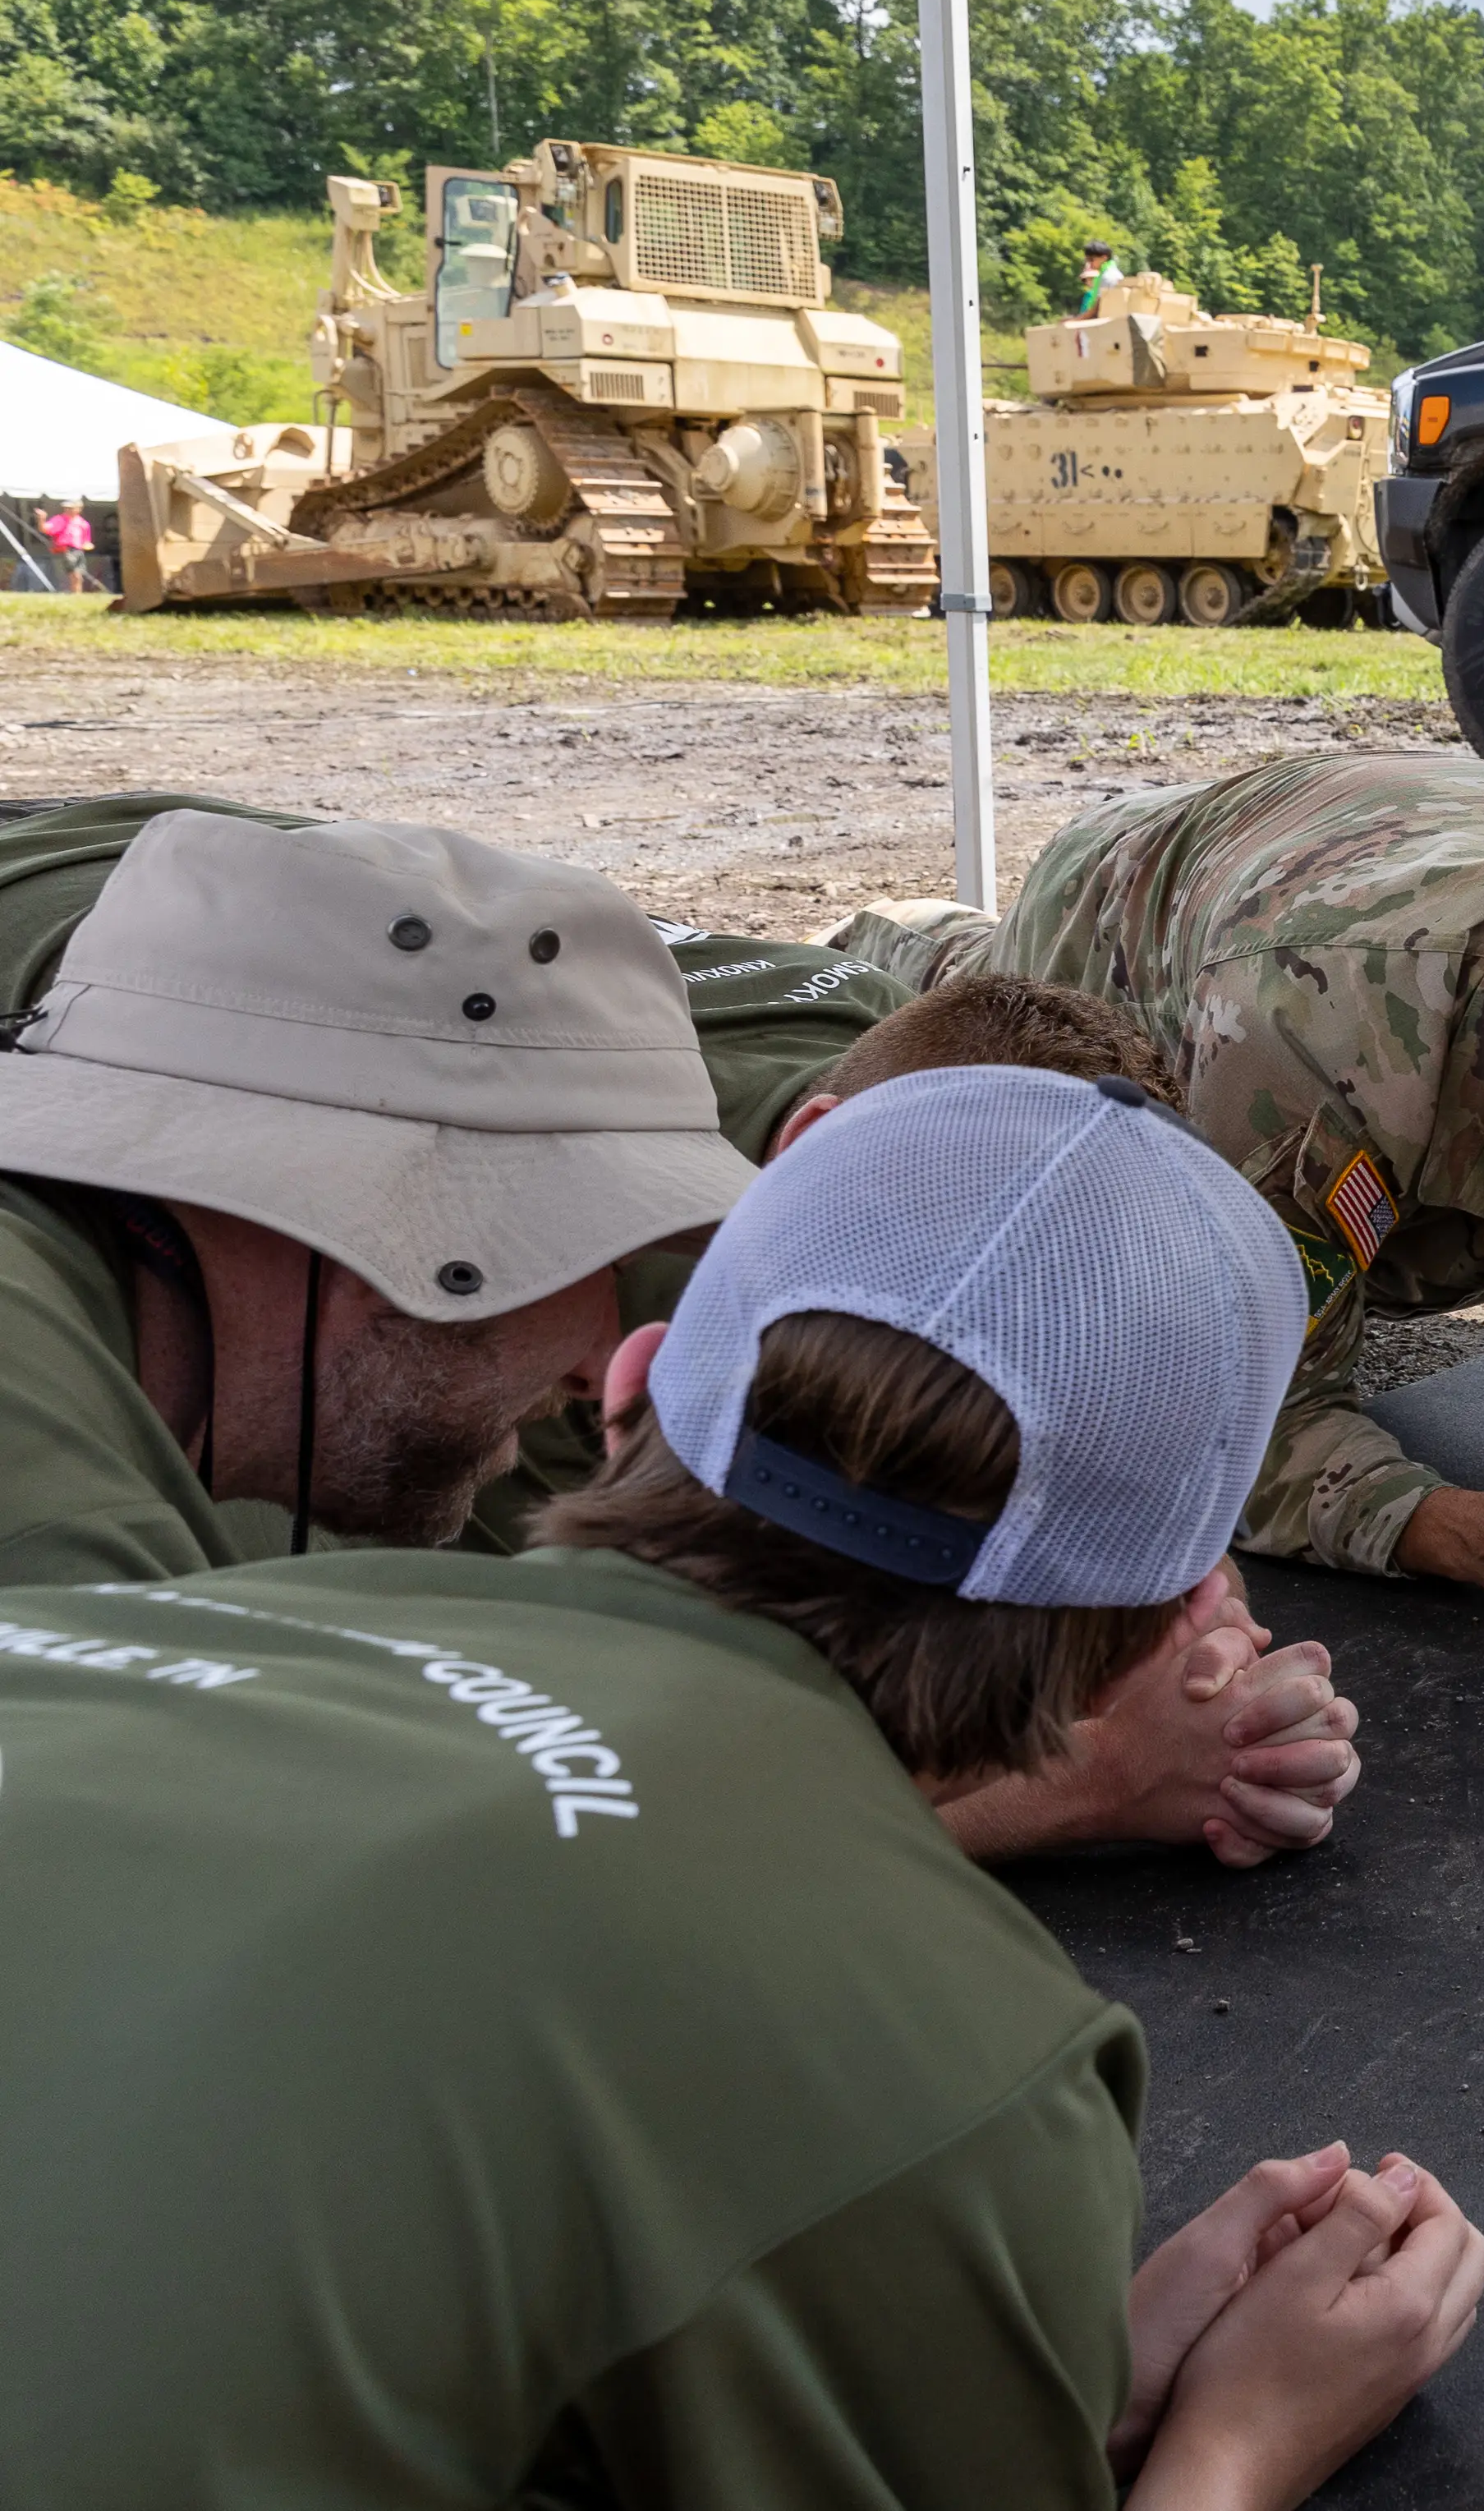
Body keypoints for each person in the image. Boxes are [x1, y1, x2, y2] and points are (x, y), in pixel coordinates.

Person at [0, 1064, 1484, 2504]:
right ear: (1179, 1623)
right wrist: (1240, 2438)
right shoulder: (936, 2065)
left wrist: (1015, 2358)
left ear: (634, 1382)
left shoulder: (138, 1622)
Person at [0, 793, 1365, 1871]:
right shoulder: (41, 1482)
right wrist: (1062, 1775)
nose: (615, 1352)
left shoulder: (127, 1351)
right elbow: (346, 1905)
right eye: (609, 1247)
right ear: (391, 1224)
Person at [839, 753, 1484, 1618]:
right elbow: (1228, 1413)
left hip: (1360, 845)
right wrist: (1460, 1532)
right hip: (1132, 912)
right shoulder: (1309, 1038)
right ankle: (890, 940)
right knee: (986, 1102)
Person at [0, 808, 755, 1590]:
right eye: (609, 1261)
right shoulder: (43, 1505)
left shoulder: (230, 1416)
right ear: (400, 1234)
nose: (601, 1366)